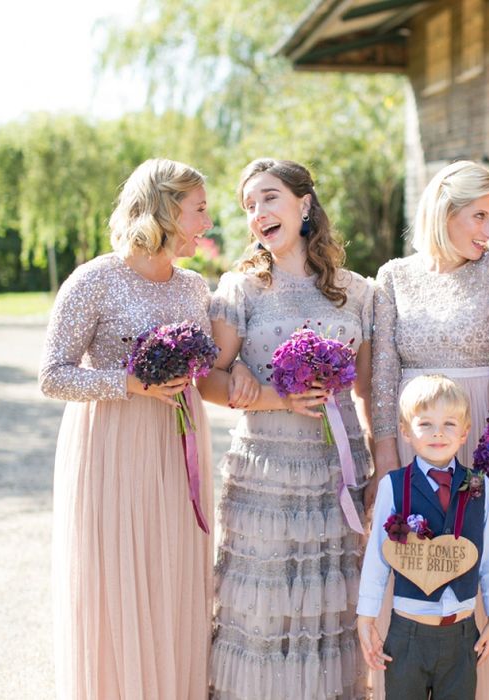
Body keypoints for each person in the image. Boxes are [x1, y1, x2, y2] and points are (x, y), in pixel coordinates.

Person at [39, 158, 215, 699]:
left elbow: (206, 369)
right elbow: (52, 376)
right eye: (200, 210)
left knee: (173, 573)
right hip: (112, 446)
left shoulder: (193, 287)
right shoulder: (95, 279)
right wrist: (130, 383)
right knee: (117, 578)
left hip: (180, 441)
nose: (208, 222)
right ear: (165, 210)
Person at [198, 158, 373, 699]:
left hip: (337, 472)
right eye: (249, 206)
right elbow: (207, 380)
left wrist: (383, 471)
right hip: (266, 474)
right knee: (265, 612)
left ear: (304, 203)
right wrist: (272, 393)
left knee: (329, 613)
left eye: (269, 198)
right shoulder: (241, 289)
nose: (257, 214)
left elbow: (369, 391)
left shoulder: (358, 292)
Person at [371, 160, 489, 698]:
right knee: (410, 557)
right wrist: (386, 455)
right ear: (444, 213)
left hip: (477, 437)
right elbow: (384, 373)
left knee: (481, 559)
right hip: (416, 435)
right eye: (479, 217)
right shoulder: (394, 276)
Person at [358, 374, 489, 699]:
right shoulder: (393, 486)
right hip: (407, 636)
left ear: (465, 431)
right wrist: (366, 617)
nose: (438, 433)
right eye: (425, 423)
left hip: (462, 634)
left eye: (449, 424)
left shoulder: (479, 486)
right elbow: (377, 559)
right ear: (406, 431)